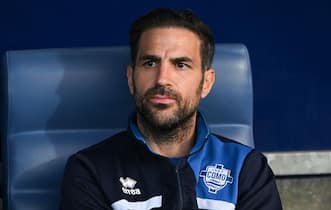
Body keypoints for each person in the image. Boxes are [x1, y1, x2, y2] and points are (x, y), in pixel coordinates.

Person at [60, 8, 282, 210]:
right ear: (130, 78)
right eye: (150, 63)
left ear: (206, 82)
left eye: (181, 65)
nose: (162, 79)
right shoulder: (91, 170)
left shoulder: (246, 168)